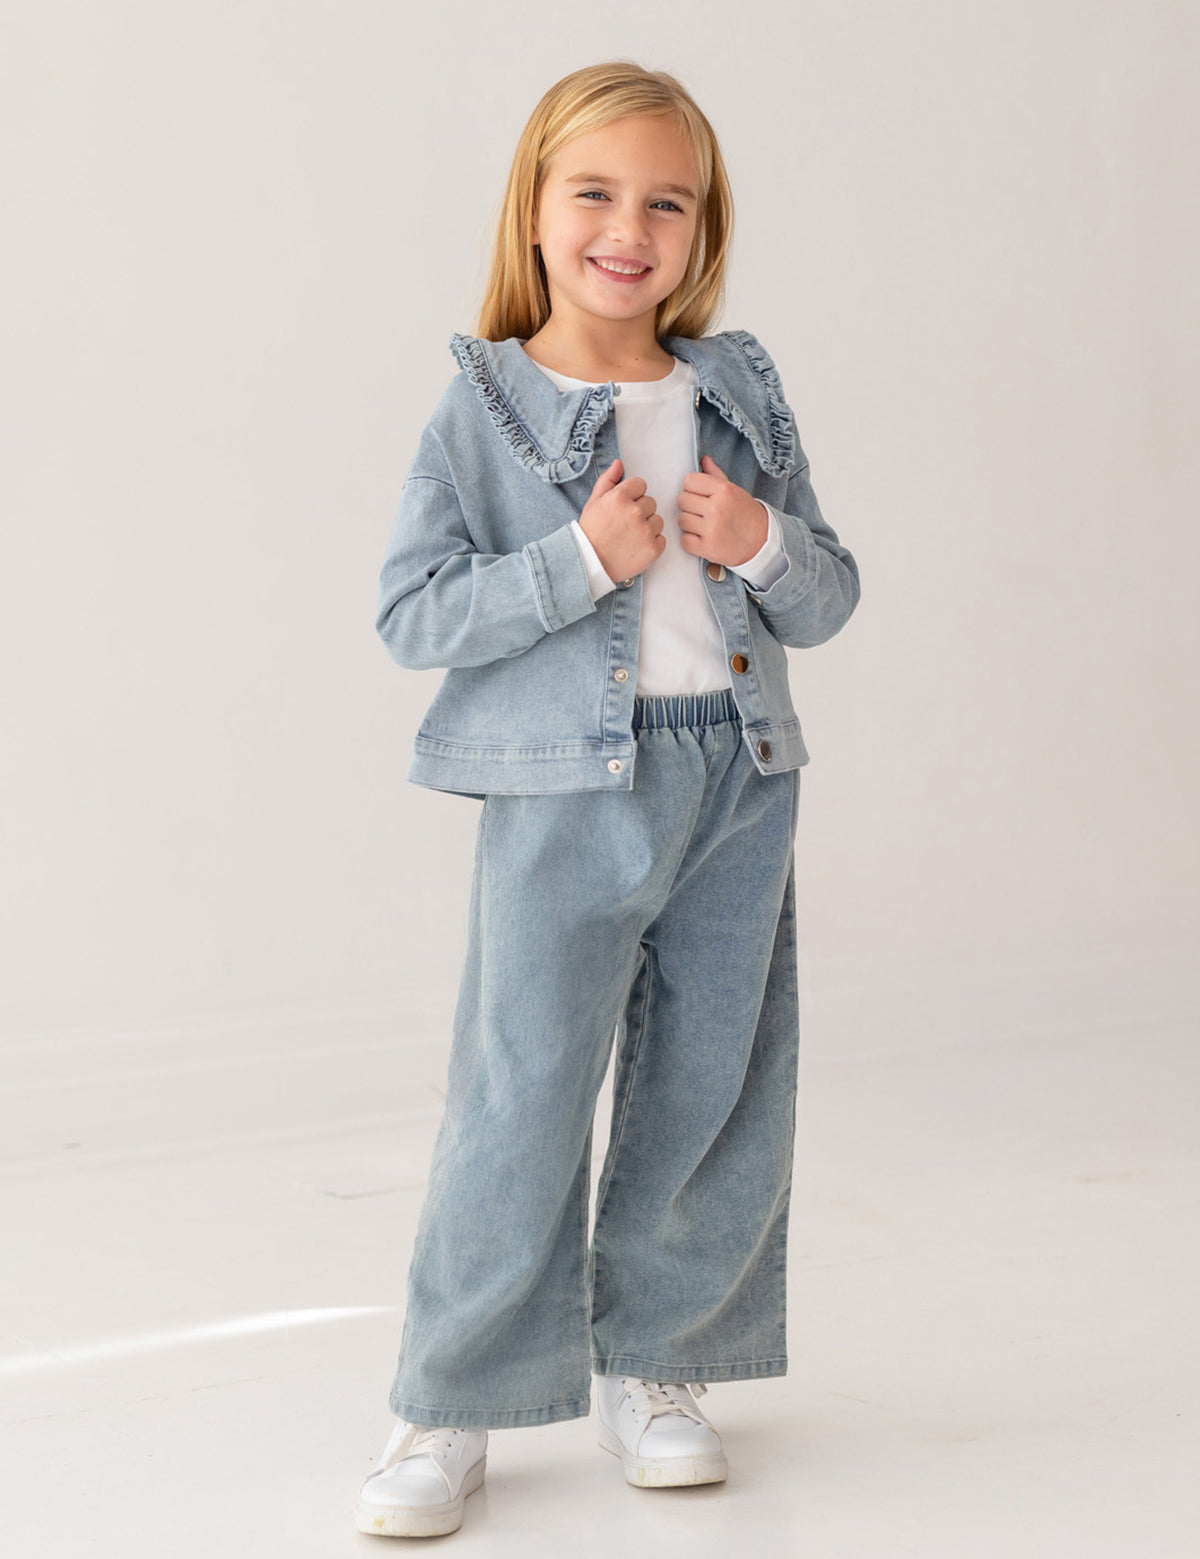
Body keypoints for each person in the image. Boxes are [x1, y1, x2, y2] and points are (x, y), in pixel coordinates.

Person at [355, 59, 861, 1540]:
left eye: (667, 204)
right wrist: (577, 562)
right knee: (520, 1092)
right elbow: (412, 615)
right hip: (567, 790)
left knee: (712, 1082)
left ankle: (660, 1366)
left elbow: (829, 595)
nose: (628, 230)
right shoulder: (485, 411)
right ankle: (452, 1398)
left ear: (705, 230)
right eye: (594, 193)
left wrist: (760, 540)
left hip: (737, 778)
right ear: (533, 209)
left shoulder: (736, 393)